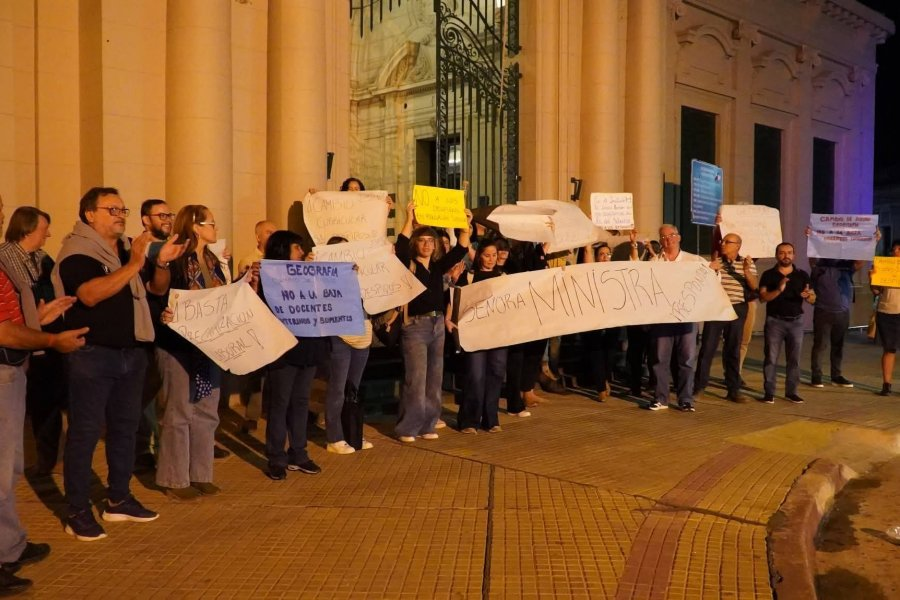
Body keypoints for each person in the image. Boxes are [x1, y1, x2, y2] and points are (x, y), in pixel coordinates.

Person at [52, 186, 182, 540]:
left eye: (123, 209)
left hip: (131, 353)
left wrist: (161, 263)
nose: (121, 215)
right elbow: (90, 294)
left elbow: (155, 290)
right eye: (112, 209)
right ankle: (77, 510)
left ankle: (119, 499)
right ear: (89, 214)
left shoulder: (125, 249)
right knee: (85, 433)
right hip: (93, 354)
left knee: (125, 429)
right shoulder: (76, 252)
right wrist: (136, 263)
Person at [0, 194, 87, 596]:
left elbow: (15, 319)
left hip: (13, 369)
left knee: (11, 467)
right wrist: (51, 339)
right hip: (4, 367)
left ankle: (9, 545)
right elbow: (3, 330)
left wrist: (43, 318)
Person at [153, 205, 230, 502]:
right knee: (178, 412)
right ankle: (174, 477)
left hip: (209, 345)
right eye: (212, 223)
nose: (216, 228)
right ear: (196, 227)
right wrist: (165, 313)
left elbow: (221, 298)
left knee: (207, 411)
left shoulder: (213, 259)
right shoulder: (175, 256)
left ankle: (201, 473)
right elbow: (158, 293)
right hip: (177, 343)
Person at [394, 203, 471, 443]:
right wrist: (409, 217)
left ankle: (428, 424)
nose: (427, 244)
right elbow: (400, 247)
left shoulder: (437, 267)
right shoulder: (408, 264)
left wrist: (465, 226)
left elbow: (461, 249)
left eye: (431, 240)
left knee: (435, 378)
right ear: (415, 244)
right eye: (422, 240)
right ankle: (408, 427)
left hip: (438, 325)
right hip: (415, 327)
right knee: (416, 379)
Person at [0, 207, 65, 475]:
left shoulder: (42, 257)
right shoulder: (5, 257)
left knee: (49, 404)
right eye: (43, 229)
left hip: (40, 341)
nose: (48, 234)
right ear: (27, 229)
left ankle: (48, 462)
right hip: (18, 346)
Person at [260, 230, 328, 478]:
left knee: (300, 402)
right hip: (283, 351)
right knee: (280, 403)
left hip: (308, 347)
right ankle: (276, 456)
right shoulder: (269, 279)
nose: (302, 252)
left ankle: (298, 453)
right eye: (297, 248)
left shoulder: (312, 275)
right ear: (283, 251)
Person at [134, 198, 178, 470]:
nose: (167, 219)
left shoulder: (171, 248)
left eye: (169, 214)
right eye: (160, 215)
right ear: (145, 220)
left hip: (167, 328)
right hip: (144, 328)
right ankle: (143, 450)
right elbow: (156, 289)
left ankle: (163, 447)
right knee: (145, 393)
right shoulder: (137, 248)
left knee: (164, 394)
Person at [643, 225, 706, 411]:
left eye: (671, 235)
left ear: (678, 237)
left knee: (686, 360)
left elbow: (710, 281)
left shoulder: (694, 260)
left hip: (686, 318)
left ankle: (685, 399)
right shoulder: (655, 262)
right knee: (659, 360)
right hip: (662, 319)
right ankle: (661, 398)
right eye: (663, 237)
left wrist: (714, 270)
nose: (667, 240)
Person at [322, 236, 374, 454]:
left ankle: (352, 433)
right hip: (340, 334)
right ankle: (334, 437)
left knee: (353, 388)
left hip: (362, 332)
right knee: (338, 388)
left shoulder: (360, 274)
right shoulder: (325, 278)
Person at [694, 232, 758, 403]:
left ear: (737, 246)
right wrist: (710, 271)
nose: (723, 244)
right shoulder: (716, 262)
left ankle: (733, 389)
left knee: (733, 349)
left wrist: (745, 271)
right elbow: (704, 285)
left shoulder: (747, 263)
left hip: (737, 308)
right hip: (716, 309)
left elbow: (754, 286)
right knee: (707, 348)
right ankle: (699, 386)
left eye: (728, 242)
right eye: (723, 241)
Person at [453, 241, 507, 434]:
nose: (491, 259)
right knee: (475, 375)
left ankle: (491, 419)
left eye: (494, 255)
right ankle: (469, 420)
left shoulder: (503, 277)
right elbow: (456, 300)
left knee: (496, 373)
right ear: (478, 256)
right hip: (474, 335)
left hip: (498, 334)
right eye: (487, 255)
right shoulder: (469, 277)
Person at [758, 242, 815, 404]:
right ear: (777, 255)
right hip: (775, 321)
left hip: (796, 322)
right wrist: (779, 289)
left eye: (789, 252)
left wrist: (808, 296)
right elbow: (763, 298)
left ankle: (791, 392)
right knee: (771, 358)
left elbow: (813, 298)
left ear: (794, 255)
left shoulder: (802, 275)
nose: (786, 256)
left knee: (794, 359)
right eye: (782, 253)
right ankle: (769, 393)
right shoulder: (769, 275)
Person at [808, 257, 861, 388]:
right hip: (823, 311)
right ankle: (816, 376)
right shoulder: (819, 267)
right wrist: (811, 237)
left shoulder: (846, 265)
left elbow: (859, 262)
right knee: (820, 345)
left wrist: (870, 242)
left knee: (838, 345)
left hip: (842, 312)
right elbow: (812, 259)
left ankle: (836, 376)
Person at [581, 242, 622, 402]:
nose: (605, 257)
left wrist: (633, 246)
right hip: (593, 318)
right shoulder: (591, 271)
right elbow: (587, 262)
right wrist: (588, 246)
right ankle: (600, 387)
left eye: (608, 254)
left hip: (612, 319)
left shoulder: (617, 271)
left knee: (609, 353)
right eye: (602, 254)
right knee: (596, 352)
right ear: (597, 258)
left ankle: (604, 380)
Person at [872, 240, 900, 396]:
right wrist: (873, 278)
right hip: (886, 312)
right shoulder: (885, 267)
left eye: (899, 249)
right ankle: (886, 384)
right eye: (893, 249)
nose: (895, 252)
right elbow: (876, 291)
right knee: (889, 348)